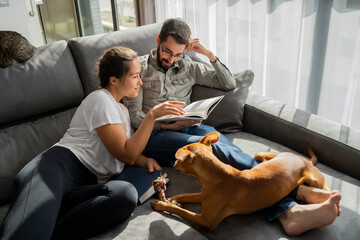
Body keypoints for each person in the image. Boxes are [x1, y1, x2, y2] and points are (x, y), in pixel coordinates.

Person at [123, 18, 342, 236]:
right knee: (208, 149)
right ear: (158, 40)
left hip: (189, 126)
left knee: (222, 145)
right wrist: (169, 125)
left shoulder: (188, 66)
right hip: (156, 136)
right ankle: (293, 200)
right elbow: (135, 119)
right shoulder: (139, 69)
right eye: (167, 52)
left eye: (178, 54)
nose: (172, 59)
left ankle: (291, 204)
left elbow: (228, 83)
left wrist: (209, 55)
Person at [0, 46, 186, 240]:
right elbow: (125, 154)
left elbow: (128, 151)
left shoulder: (121, 110)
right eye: (135, 76)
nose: (141, 82)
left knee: (125, 194)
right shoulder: (100, 100)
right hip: (55, 170)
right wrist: (152, 115)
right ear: (114, 80)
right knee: (28, 234)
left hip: (83, 185)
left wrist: (145, 160)